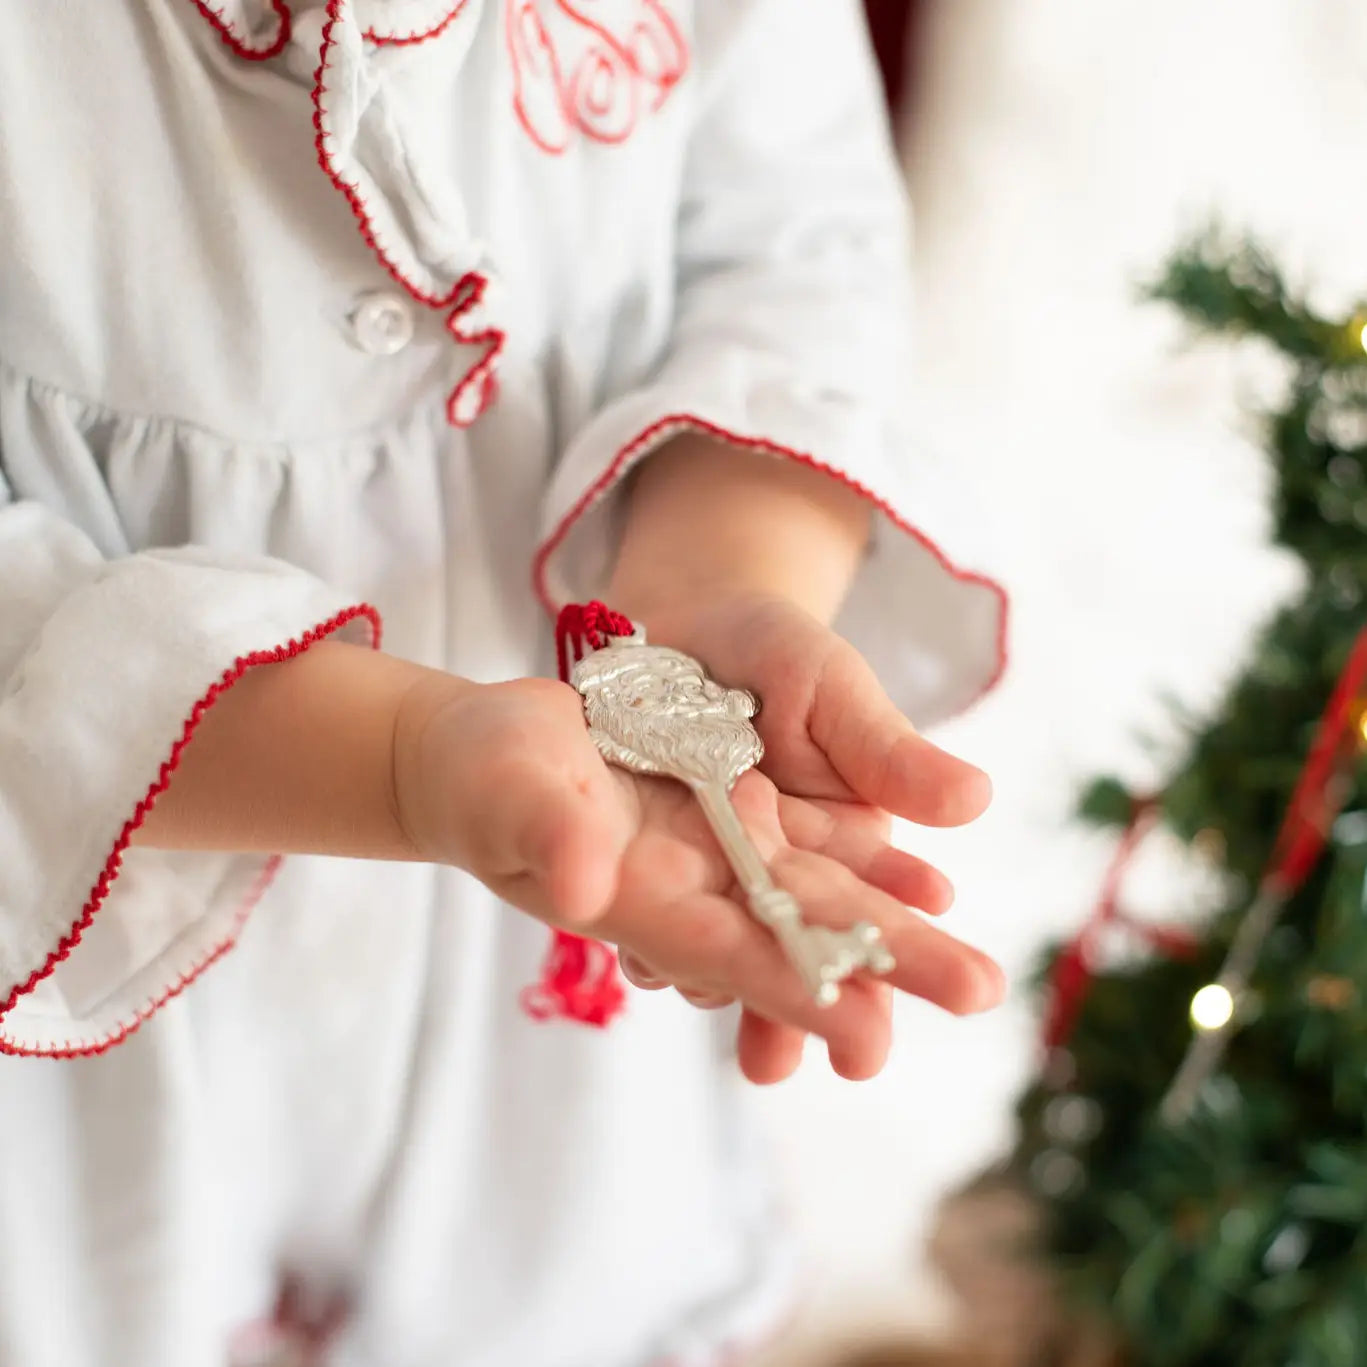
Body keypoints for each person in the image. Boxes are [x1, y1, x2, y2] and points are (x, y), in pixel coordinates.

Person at [0, 2, 1010, 1363]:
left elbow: (791, 249)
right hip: (95, 961)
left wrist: (726, 573)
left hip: (548, 1003)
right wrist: (403, 760)